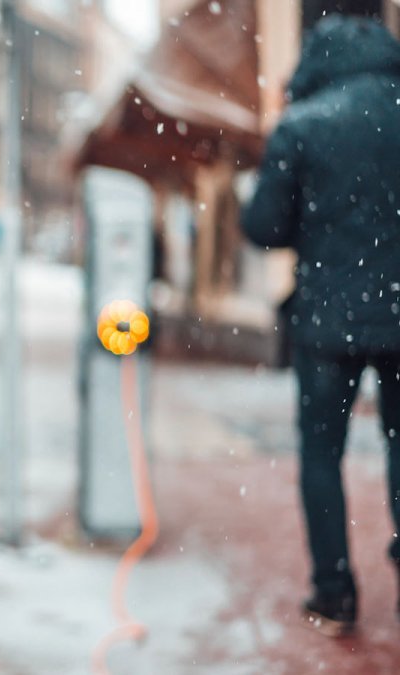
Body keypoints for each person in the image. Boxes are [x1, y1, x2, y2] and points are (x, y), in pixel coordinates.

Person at [242, 15, 400, 636]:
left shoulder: (304, 123)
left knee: (321, 454)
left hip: (327, 321)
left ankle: (334, 593)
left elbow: (263, 228)